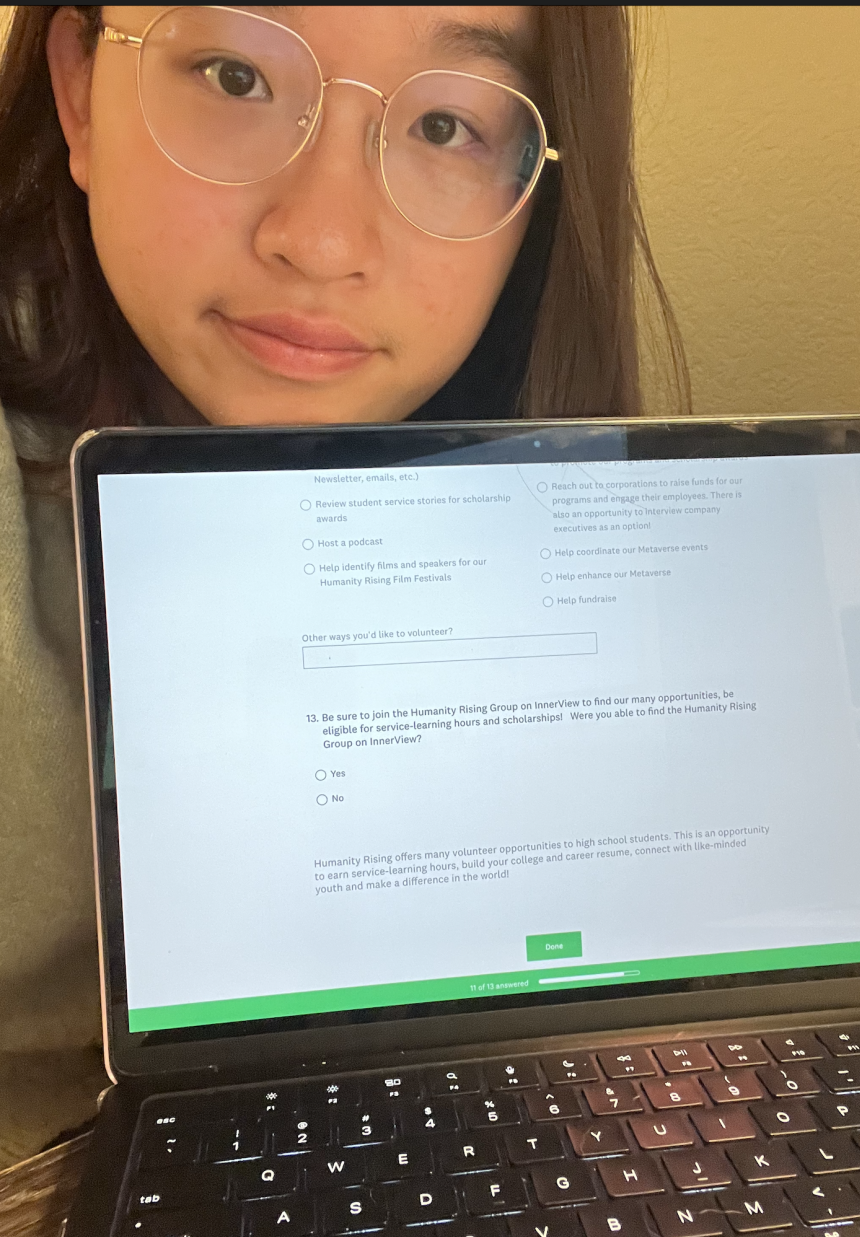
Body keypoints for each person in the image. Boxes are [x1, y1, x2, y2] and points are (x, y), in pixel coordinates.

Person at [0, 4, 685, 1166]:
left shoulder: (568, 513)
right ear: (79, 94)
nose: (321, 240)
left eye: (445, 125)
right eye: (234, 75)